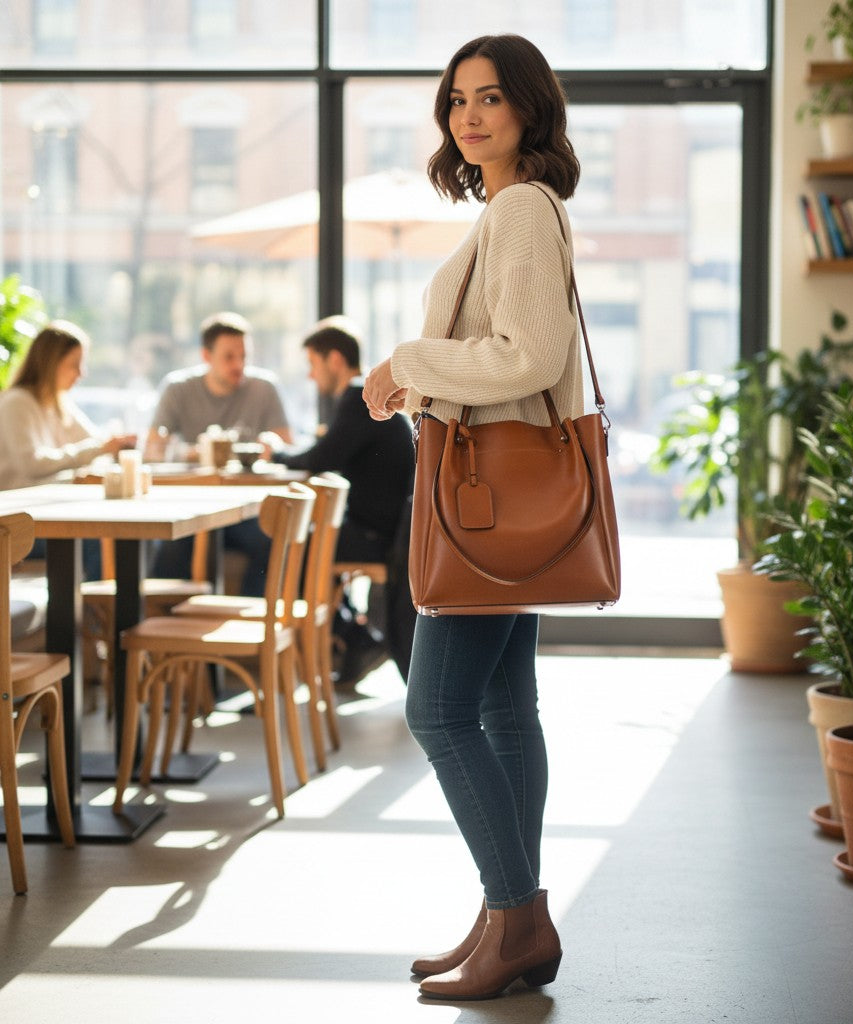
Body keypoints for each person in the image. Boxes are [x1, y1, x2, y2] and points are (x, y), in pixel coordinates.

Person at [362, 34, 579, 1001]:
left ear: (528, 107)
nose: (470, 115)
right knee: (502, 708)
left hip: (488, 502)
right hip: (495, 495)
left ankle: (515, 914)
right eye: (457, 100)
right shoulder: (508, 208)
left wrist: (409, 363)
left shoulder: (523, 208)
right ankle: (509, 920)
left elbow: (527, 356)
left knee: (438, 710)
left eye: (491, 97)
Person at [270, 315, 416, 684]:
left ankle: (356, 640)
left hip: (378, 536)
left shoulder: (357, 397)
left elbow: (320, 459)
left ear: (334, 359)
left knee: (294, 550)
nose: (310, 376)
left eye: (312, 364)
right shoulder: (364, 399)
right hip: (392, 531)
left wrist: (275, 453)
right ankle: (353, 637)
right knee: (308, 545)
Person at [145, 311, 293, 596]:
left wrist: (269, 445)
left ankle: (252, 625)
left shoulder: (264, 388)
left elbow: (285, 445)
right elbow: (152, 449)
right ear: (206, 356)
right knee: (168, 548)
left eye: (243, 356)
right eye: (229, 357)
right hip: (189, 507)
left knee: (273, 540)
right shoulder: (178, 389)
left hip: (247, 510)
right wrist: (197, 452)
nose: (238, 365)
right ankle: (170, 632)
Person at [0, 319, 137, 578]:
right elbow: (32, 465)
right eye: (74, 364)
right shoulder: (16, 403)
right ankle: (95, 613)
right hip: (17, 525)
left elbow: (95, 446)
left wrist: (110, 449)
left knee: (127, 534)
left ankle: (103, 613)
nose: (81, 373)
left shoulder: (58, 404)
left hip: (48, 513)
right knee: (99, 540)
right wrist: (99, 449)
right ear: (51, 363)